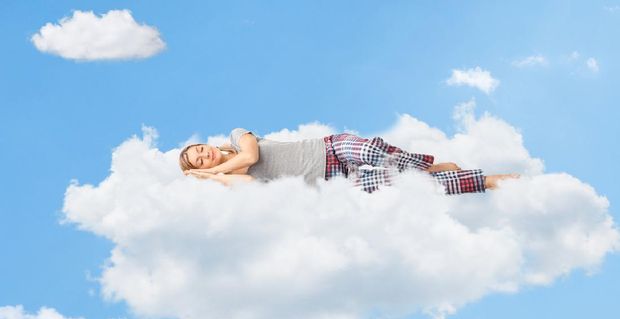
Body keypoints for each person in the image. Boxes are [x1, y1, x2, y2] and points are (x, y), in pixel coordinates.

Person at [178, 128, 519, 194]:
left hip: (332, 149)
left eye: (200, 150)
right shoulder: (229, 179)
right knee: (415, 187)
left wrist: (215, 169)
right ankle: (487, 180)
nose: (204, 155)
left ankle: (424, 164)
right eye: (199, 162)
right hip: (336, 184)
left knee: (372, 152)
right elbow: (251, 184)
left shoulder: (238, 136)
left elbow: (251, 157)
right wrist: (213, 179)